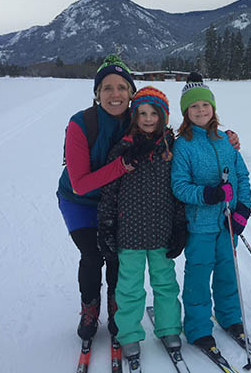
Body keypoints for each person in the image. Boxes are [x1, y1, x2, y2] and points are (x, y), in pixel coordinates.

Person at [97, 86, 187, 361]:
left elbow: (179, 190)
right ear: (134, 117)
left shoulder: (172, 149)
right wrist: (106, 226)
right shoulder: (124, 148)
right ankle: (129, 334)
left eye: (154, 114)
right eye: (142, 113)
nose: (148, 119)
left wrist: (180, 226)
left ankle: (169, 327)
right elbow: (109, 191)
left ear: (163, 117)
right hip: (130, 233)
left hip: (161, 231)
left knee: (166, 284)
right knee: (130, 288)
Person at [57, 54, 143, 341]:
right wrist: (122, 166)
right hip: (79, 202)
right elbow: (80, 184)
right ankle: (90, 307)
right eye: (107, 87)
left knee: (118, 255)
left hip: (118, 202)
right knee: (93, 255)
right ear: (97, 93)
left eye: (122, 87)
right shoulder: (81, 124)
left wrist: (224, 137)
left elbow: (174, 141)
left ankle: (116, 305)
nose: (115, 94)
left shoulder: (140, 119)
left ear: (131, 92)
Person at [171, 73, 251, 354]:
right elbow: (180, 186)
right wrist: (209, 194)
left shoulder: (226, 140)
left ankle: (230, 318)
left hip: (228, 222)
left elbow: (242, 175)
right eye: (194, 107)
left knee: (228, 273)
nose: (201, 110)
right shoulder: (183, 145)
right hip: (201, 225)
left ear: (213, 108)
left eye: (205, 105)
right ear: (186, 111)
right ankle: (197, 328)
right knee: (198, 277)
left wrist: (244, 209)